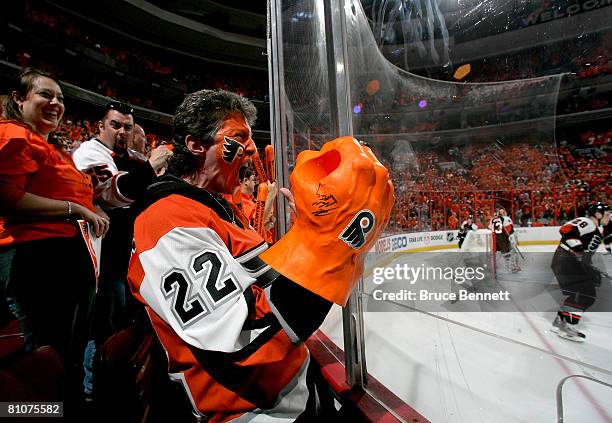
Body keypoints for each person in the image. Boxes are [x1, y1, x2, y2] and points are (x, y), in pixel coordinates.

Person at [127, 89, 394, 421]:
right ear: (196, 145)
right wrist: (328, 243)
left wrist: (311, 229)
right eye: (239, 138)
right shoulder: (166, 223)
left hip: (289, 395)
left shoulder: (213, 207)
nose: (251, 148)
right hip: (254, 414)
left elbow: (264, 284)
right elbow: (242, 339)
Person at [0, 68, 109, 406]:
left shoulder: (50, 146)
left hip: (64, 255)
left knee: (68, 358)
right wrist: (74, 211)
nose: (56, 103)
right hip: (35, 256)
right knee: (45, 362)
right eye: (45, 94)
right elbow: (7, 197)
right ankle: (32, 415)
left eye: (60, 98)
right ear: (19, 99)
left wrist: (92, 207)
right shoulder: (12, 134)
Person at [72, 103, 172, 398]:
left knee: (124, 328)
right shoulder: (90, 153)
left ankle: (113, 387)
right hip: (99, 262)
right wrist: (150, 168)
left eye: (127, 127)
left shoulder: (133, 159)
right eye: (115, 125)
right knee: (100, 330)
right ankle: (91, 393)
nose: (122, 132)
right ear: (101, 127)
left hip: (127, 259)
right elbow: (111, 193)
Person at [551, 202, 610, 342]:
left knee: (579, 294)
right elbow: (566, 229)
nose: (609, 217)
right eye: (607, 214)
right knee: (586, 295)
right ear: (598, 214)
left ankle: (560, 321)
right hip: (566, 261)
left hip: (566, 262)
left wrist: (589, 268)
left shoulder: (594, 228)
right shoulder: (587, 222)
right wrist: (578, 251)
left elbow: (584, 255)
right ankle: (567, 326)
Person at [489, 207, 520, 272]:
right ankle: (512, 267)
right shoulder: (506, 218)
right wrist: (513, 239)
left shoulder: (493, 219)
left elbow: (490, 228)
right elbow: (509, 230)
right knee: (512, 253)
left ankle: (493, 267)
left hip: (495, 239)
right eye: (502, 212)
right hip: (503, 239)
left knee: (498, 254)